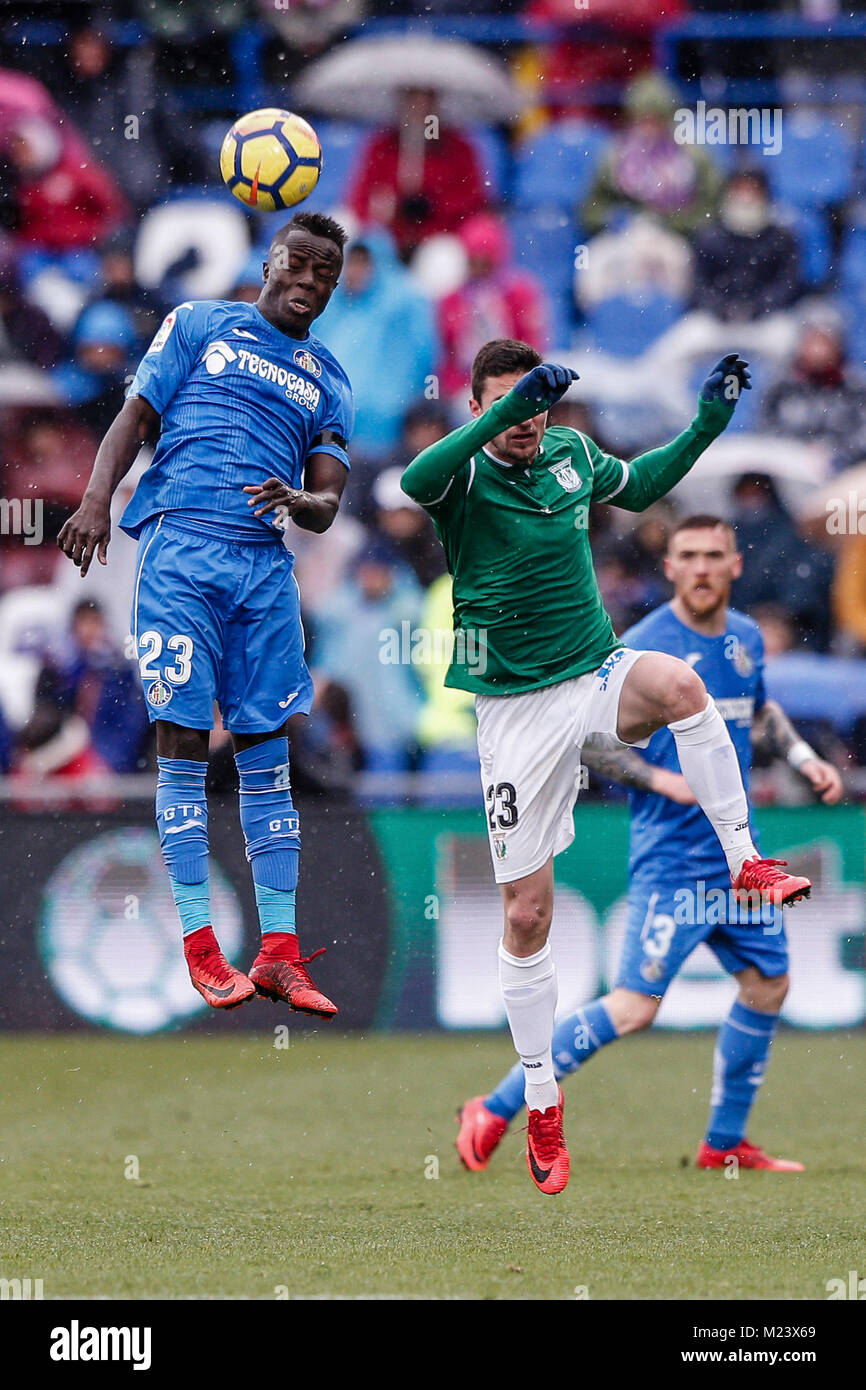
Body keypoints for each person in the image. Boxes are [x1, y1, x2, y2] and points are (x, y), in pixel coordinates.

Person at [401, 339, 812, 1195]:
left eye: (537, 403)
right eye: (509, 406)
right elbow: (413, 481)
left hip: (591, 672)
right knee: (528, 916)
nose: (528, 420)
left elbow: (645, 484)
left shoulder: (571, 453)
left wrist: (706, 423)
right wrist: (504, 415)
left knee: (681, 685)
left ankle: (748, 859)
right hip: (514, 711)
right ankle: (539, 1103)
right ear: (480, 409)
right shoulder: (463, 476)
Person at [456, 516, 842, 1179]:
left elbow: (761, 708)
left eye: (713, 555)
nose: (700, 567)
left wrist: (804, 759)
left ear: (734, 566)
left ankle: (724, 1143)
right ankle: (495, 1105)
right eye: (687, 555)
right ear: (668, 567)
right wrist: (662, 776)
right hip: (673, 857)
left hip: (738, 861)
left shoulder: (747, 637)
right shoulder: (638, 646)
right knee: (635, 1008)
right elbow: (586, 738)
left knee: (768, 983)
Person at [57, 211, 354, 1018]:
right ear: (271, 260)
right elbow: (134, 419)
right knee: (184, 742)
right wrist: (93, 499)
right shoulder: (197, 325)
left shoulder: (329, 375)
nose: (310, 281)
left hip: (265, 573)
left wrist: (305, 499)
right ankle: (199, 949)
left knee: (267, 755)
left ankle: (280, 953)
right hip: (184, 553)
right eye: (301, 262)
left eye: (327, 274)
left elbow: (328, 498)